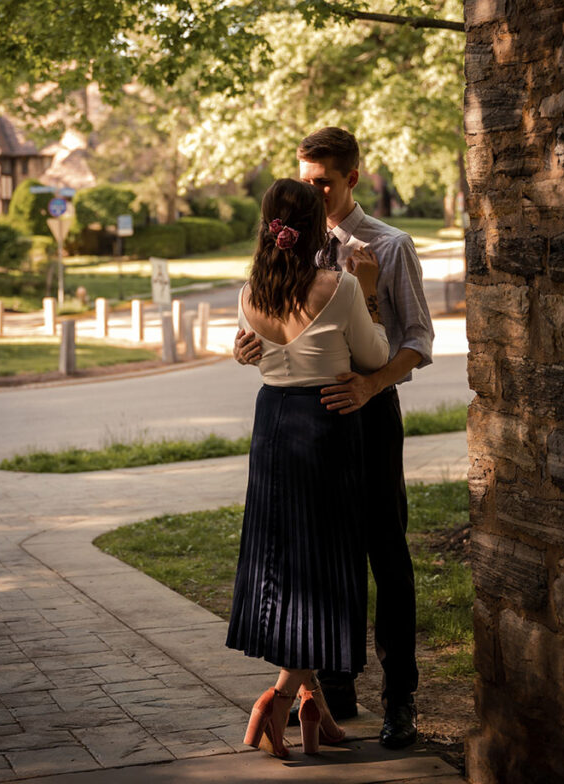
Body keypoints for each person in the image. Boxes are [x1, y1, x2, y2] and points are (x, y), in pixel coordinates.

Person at [234, 127, 433, 750]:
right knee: (322, 555)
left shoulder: (389, 247)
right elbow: (282, 327)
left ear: (352, 178)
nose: (312, 192)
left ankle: (400, 699)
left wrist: (371, 390)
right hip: (315, 425)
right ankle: (330, 695)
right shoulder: (289, 248)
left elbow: (417, 344)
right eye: (305, 180)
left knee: (384, 555)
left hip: (368, 416)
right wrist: (251, 347)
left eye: (323, 182)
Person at [226, 177, 389, 758]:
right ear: (316, 226)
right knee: (322, 571)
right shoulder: (340, 286)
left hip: (273, 428)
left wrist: (245, 349)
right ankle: (276, 697)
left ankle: (314, 710)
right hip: (326, 425)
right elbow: (374, 357)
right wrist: (369, 291)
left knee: (286, 564)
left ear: (268, 226)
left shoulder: (250, 291)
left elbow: (256, 351)